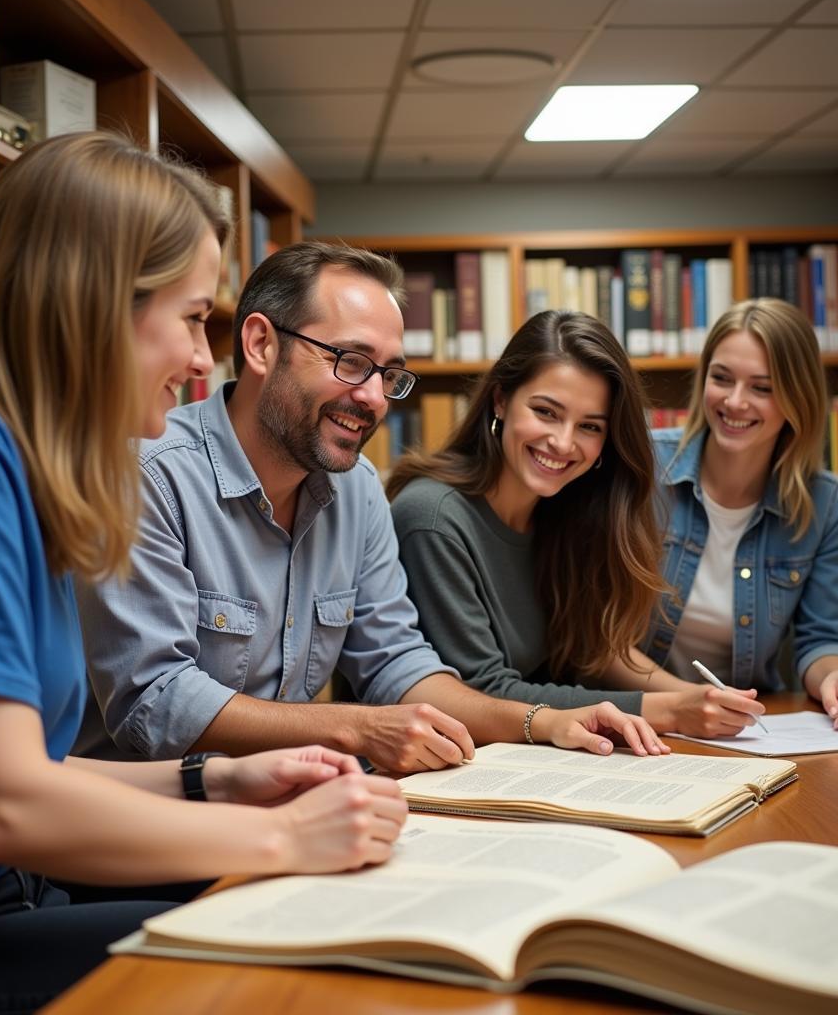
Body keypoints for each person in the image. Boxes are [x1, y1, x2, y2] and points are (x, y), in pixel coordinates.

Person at [0, 132, 408, 1015]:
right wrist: (282, 837)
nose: (205, 362)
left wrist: (217, 780)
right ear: (92, 304)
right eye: (193, 317)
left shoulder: (10, 462)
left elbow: (33, 768)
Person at [75, 243, 668, 772]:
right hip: (149, 831)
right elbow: (155, 703)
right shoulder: (149, 474)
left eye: (389, 375)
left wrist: (541, 722)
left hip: (288, 804)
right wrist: (357, 728)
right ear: (260, 344)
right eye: (351, 362)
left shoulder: (356, 486)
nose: (373, 397)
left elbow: (397, 664)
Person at [387, 310, 769, 739]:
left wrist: (693, 699)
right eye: (546, 412)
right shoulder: (433, 518)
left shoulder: (563, 508)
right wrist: (671, 710)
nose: (564, 443)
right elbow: (483, 692)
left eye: (589, 426)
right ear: (500, 400)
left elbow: (590, 648)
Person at [641, 297, 838, 729]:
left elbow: (823, 636)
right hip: (639, 715)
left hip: (743, 730)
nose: (735, 402)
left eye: (762, 387)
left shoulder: (823, 505)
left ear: (797, 396)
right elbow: (596, 637)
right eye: (722, 379)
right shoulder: (642, 470)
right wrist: (687, 702)